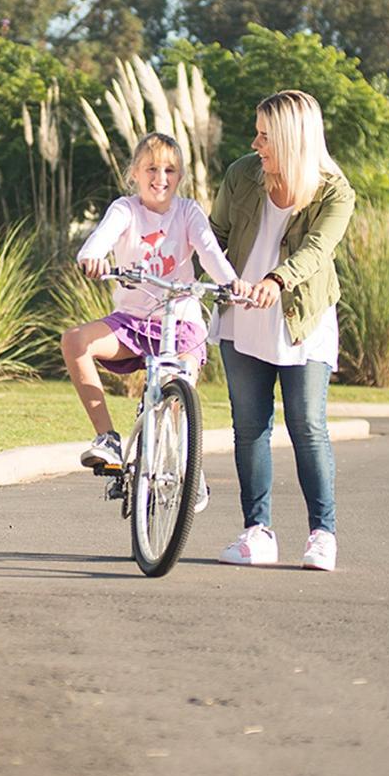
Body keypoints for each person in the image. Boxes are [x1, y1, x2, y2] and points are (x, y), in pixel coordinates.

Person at [209, 90, 355, 572]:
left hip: (301, 319)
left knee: (307, 425)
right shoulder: (242, 175)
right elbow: (214, 235)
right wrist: (192, 276)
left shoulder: (335, 192)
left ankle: (322, 535)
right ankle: (257, 532)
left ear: (293, 139)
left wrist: (276, 280)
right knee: (250, 427)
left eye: (265, 136)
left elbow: (316, 250)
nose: (255, 144)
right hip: (243, 315)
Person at [62, 133, 247, 502]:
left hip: (181, 322)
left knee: (179, 385)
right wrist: (92, 258)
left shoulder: (189, 212)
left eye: (169, 170)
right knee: (75, 340)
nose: (160, 178)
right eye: (151, 169)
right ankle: (108, 438)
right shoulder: (125, 210)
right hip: (132, 321)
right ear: (134, 172)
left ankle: (185, 464)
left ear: (180, 177)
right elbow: (100, 239)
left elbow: (210, 251)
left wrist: (231, 282)